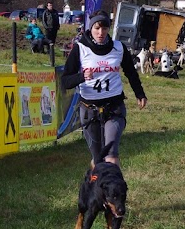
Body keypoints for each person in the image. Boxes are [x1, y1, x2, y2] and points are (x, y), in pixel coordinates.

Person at [61, 10, 148, 168]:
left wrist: (140, 93)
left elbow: (131, 72)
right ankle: (98, 187)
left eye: (105, 29)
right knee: (98, 158)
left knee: (111, 155)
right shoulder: (80, 48)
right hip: (89, 109)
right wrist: (82, 77)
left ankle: (114, 191)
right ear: (90, 28)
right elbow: (66, 81)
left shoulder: (119, 47)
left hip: (114, 106)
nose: (101, 33)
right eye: (97, 28)